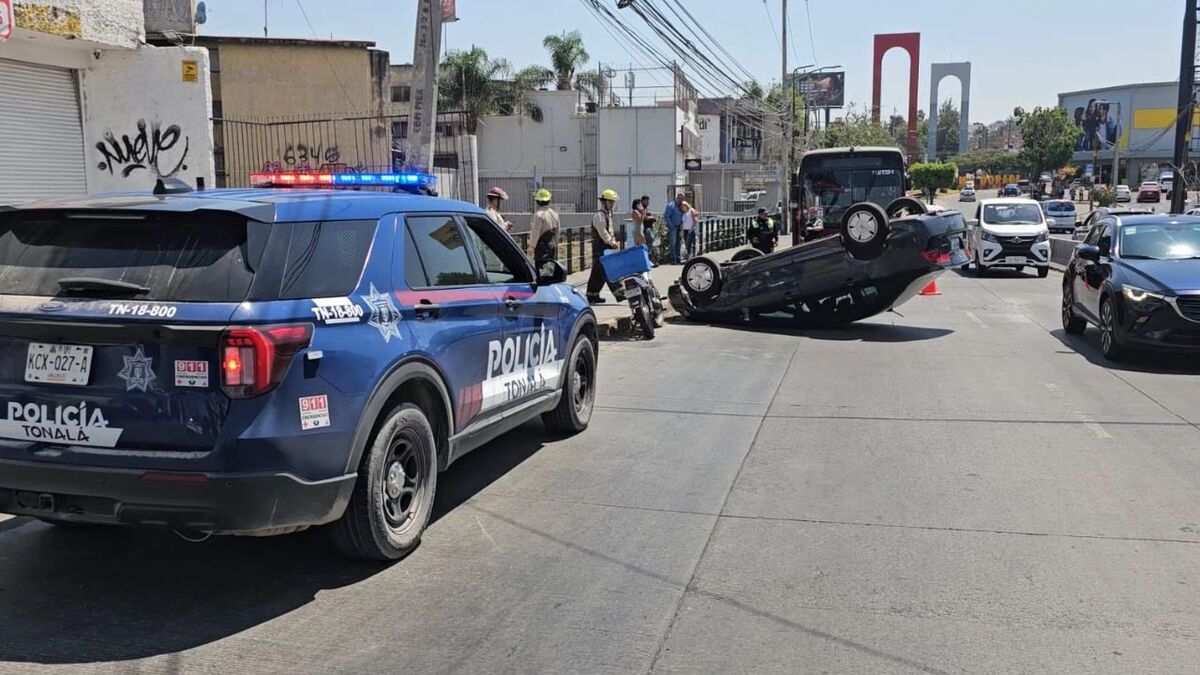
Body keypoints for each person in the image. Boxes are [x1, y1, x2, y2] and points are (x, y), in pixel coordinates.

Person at [586, 188, 624, 304]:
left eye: (613, 202)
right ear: (603, 202)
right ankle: (620, 293)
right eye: (610, 202)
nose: (612, 204)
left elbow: (610, 230)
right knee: (609, 269)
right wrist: (611, 242)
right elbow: (603, 232)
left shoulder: (608, 214)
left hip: (605, 247)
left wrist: (613, 241)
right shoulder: (599, 215)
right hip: (601, 247)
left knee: (597, 273)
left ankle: (592, 295)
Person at [528, 188, 560, 262]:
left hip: (541, 246)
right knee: (550, 266)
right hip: (552, 245)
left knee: (540, 266)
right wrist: (555, 243)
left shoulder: (538, 215)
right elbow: (558, 231)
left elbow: (535, 232)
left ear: (538, 201)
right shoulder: (555, 214)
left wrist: (531, 247)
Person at [663, 192, 686, 264]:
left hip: (680, 226)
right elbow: (667, 216)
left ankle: (678, 258)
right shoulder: (671, 205)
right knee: (672, 243)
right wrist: (671, 226)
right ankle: (673, 259)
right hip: (673, 227)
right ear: (677, 198)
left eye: (682, 198)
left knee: (679, 243)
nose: (680, 200)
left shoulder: (682, 206)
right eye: (679, 198)